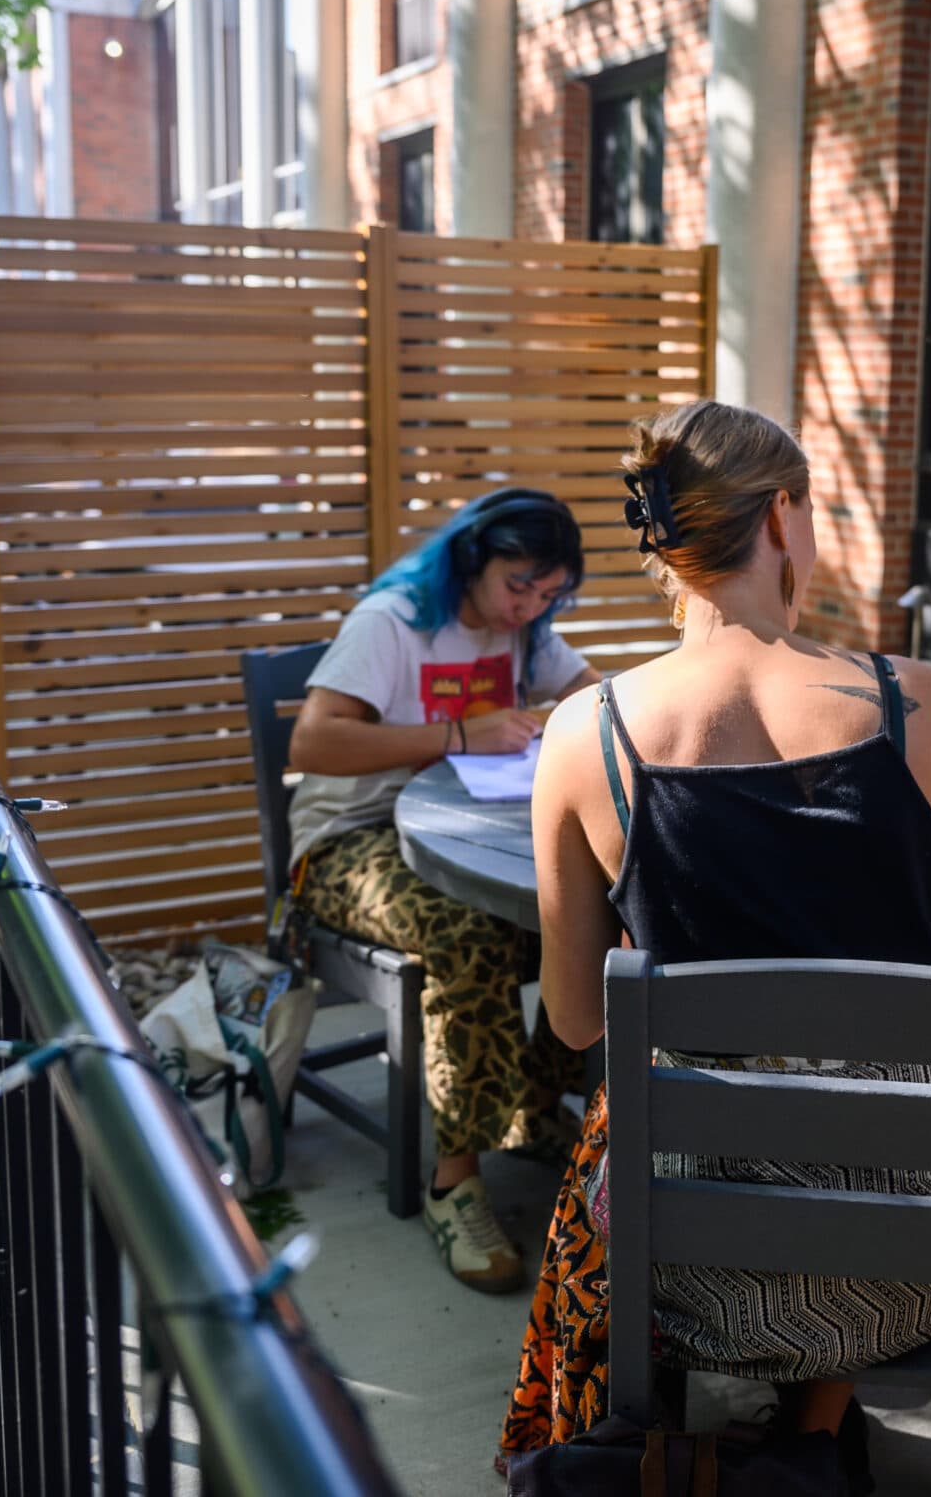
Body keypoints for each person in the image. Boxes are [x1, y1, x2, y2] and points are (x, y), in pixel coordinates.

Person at [501, 401, 931, 1477]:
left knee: (641, 1128)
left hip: (690, 1252)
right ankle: (803, 1446)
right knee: (884, 1117)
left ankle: (723, 1454)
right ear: (784, 516)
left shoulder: (583, 732)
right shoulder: (919, 705)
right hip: (930, 1250)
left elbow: (569, 1018)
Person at [287, 486, 604, 1293]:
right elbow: (314, 739)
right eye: (517, 585)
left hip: (457, 829)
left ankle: (533, 1109)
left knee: (586, 908)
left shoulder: (524, 625)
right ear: (473, 555)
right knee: (472, 929)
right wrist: (460, 732)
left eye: (547, 593)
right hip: (346, 843)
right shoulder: (394, 621)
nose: (528, 607)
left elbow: (592, 693)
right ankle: (453, 1181)